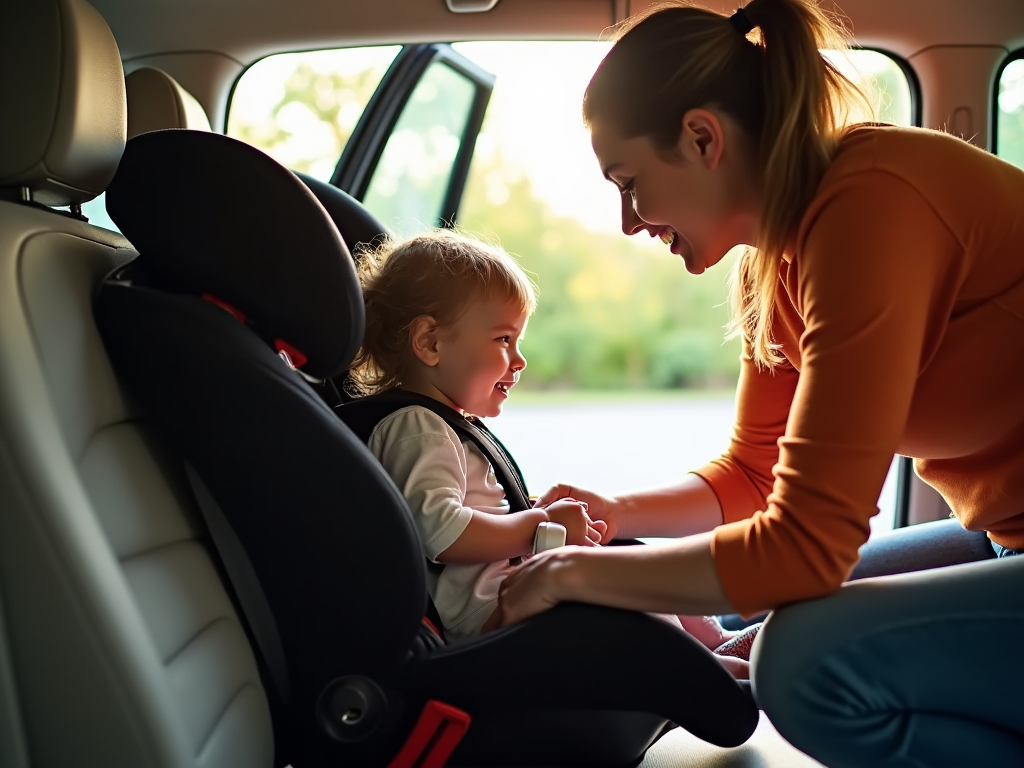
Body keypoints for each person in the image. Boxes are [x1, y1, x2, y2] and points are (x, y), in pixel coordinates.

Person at [491, 0, 1024, 765]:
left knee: (802, 661)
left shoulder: (872, 206)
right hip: (1004, 540)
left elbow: (807, 549)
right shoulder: (775, 260)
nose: (627, 221)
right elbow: (752, 472)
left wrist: (573, 574)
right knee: (742, 623)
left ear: (703, 137)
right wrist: (614, 514)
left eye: (630, 181)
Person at [347, 229, 754, 674]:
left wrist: (536, 515)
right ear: (430, 342)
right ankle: (706, 671)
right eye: (504, 340)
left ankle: (713, 646)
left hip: (506, 590)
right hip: (487, 614)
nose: (519, 360)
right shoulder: (416, 427)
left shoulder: (440, 425)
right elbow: (441, 531)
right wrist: (537, 525)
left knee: (628, 557)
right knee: (619, 583)